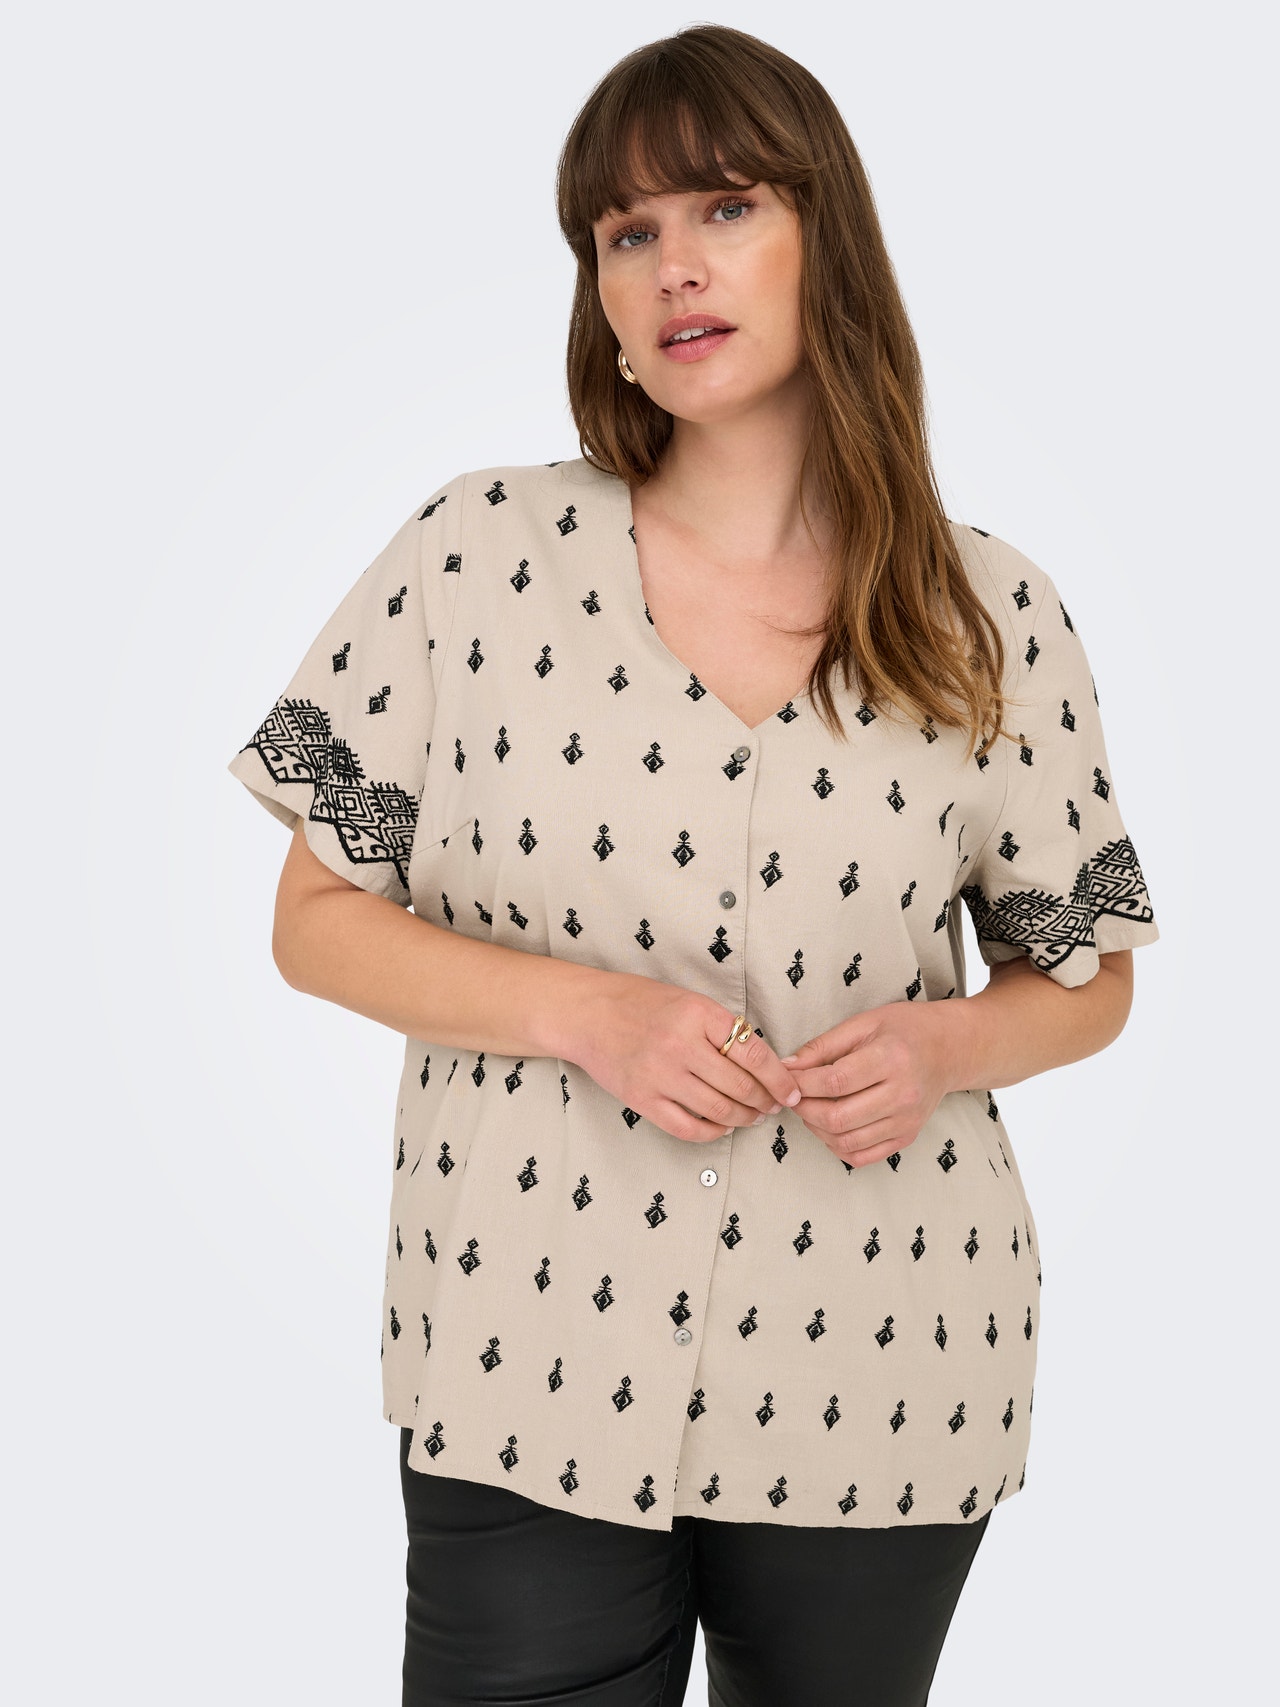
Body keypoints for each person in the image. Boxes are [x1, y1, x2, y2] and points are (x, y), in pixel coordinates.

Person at [226, 23, 1159, 1707]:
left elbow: (1085, 984)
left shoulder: (987, 610)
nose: (672, 267)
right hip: (527, 1354)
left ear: (825, 240)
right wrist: (584, 1015)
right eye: (625, 232)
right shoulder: (476, 555)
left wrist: (947, 1043)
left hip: (886, 1360)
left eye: (725, 208)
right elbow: (315, 923)